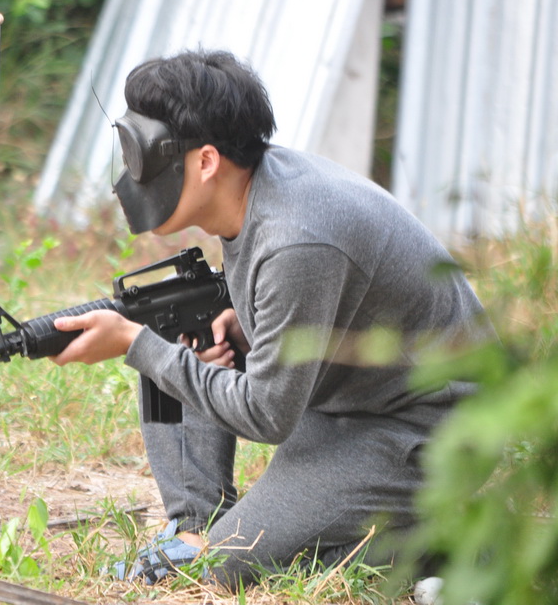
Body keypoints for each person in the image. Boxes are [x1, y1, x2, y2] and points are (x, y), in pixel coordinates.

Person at [49, 49, 493, 590]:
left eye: (143, 155)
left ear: (206, 162)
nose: (133, 172)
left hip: (429, 427)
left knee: (226, 565)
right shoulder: (253, 188)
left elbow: (267, 414)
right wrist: (237, 326)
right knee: (176, 336)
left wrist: (135, 344)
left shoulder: (296, 237)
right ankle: (193, 527)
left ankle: (446, 545)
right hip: (350, 396)